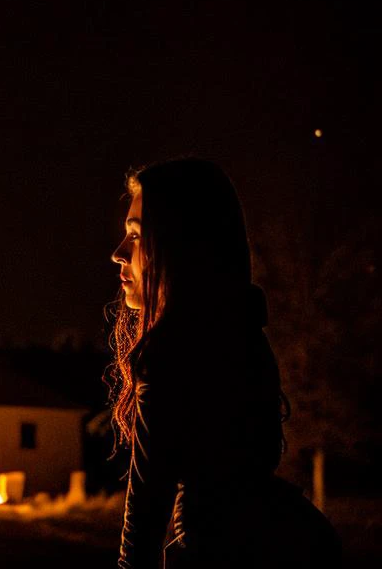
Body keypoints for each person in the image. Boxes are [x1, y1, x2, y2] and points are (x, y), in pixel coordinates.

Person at [109, 158, 341, 568]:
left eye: (136, 236)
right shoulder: (243, 334)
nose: (118, 254)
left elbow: (144, 519)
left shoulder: (171, 355)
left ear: (178, 244)